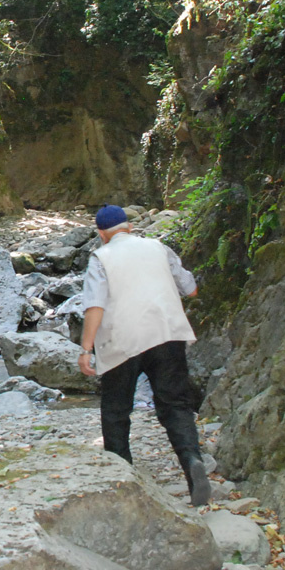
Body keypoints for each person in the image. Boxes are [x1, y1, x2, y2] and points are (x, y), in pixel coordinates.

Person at [77, 204, 211, 506]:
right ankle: (192, 463)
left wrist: (86, 349)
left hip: (123, 340)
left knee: (116, 410)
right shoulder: (158, 247)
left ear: (101, 234)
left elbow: (95, 306)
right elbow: (190, 289)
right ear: (129, 228)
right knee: (176, 405)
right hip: (168, 334)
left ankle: (121, 482)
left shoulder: (101, 257)